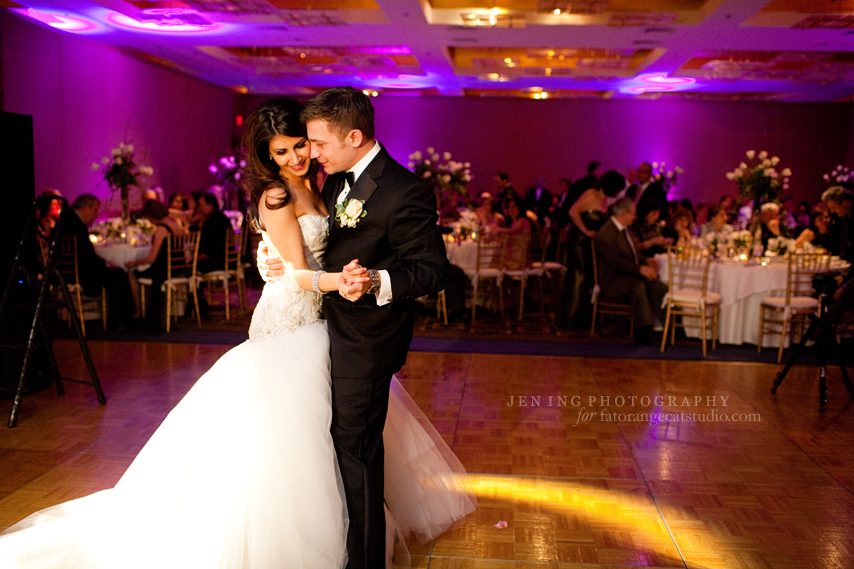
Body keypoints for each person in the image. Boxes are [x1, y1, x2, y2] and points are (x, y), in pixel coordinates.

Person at [0, 96, 475, 568]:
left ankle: (356, 544)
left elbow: (385, 260)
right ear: (268, 156)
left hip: (339, 327)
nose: (301, 155)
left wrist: (290, 263)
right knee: (291, 435)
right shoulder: (284, 191)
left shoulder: (339, 185)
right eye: (285, 151)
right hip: (294, 322)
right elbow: (298, 263)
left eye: (306, 145)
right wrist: (295, 268)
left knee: (336, 438)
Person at [260, 88, 462, 568]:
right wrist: (275, 258)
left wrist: (376, 281)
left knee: (356, 449)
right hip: (321, 331)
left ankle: (367, 559)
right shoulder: (329, 182)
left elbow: (432, 272)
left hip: (367, 339)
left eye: (318, 143)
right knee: (342, 444)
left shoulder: (403, 190)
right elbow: (310, 242)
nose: (312, 154)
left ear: (353, 137)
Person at [594, 197, 668, 345]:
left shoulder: (625, 230)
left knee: (658, 286)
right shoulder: (606, 233)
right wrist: (640, 269)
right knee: (638, 286)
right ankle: (643, 330)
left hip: (629, 274)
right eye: (633, 213)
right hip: (612, 279)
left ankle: (669, 327)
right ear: (624, 213)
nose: (635, 217)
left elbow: (632, 252)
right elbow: (616, 262)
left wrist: (645, 261)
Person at [61, 194, 137, 330]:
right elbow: (85, 255)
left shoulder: (66, 221)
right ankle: (121, 320)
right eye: (95, 210)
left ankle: (121, 318)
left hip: (67, 271)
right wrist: (106, 264)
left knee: (115, 273)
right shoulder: (76, 225)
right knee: (118, 275)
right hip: (79, 273)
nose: (96, 215)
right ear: (86, 207)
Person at [558, 170, 619, 329]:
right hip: (579, 242)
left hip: (591, 244)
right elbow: (573, 211)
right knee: (579, 277)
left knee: (589, 279)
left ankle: (583, 320)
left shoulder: (604, 200)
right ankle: (571, 320)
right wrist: (585, 230)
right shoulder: (591, 194)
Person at [195, 192, 232, 273]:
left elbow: (210, 242)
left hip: (217, 262)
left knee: (192, 264)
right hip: (228, 260)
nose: (199, 209)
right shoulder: (223, 218)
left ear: (210, 205)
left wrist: (205, 254)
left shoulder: (212, 221)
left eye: (201, 205)